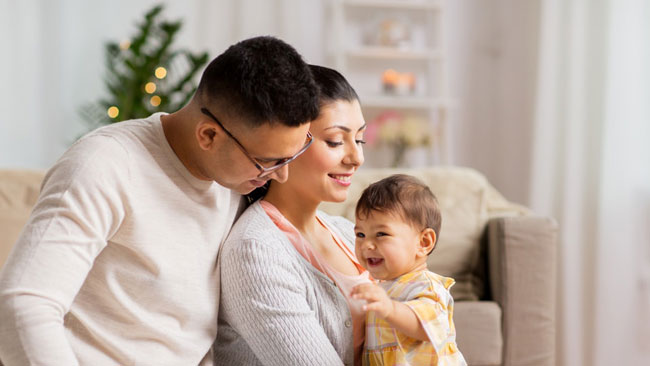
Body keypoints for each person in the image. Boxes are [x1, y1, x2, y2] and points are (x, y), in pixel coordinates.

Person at [0, 36, 320, 365]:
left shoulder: (238, 180)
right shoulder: (104, 165)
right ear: (208, 135)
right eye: (268, 161)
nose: (281, 175)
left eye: (294, 154)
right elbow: (22, 304)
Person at [213, 65, 368, 366]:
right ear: (287, 142)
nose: (356, 158)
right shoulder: (256, 249)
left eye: (359, 139)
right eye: (336, 141)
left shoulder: (349, 233)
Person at [351, 174, 467, 366]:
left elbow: (424, 327)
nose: (366, 245)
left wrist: (389, 308)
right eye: (360, 234)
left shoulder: (427, 286)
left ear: (423, 242)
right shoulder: (382, 288)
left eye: (381, 234)